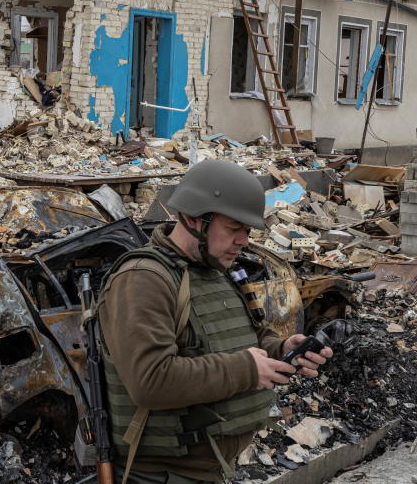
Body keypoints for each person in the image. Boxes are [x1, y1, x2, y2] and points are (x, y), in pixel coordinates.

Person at [97, 159, 334, 484]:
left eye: (247, 231)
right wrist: (248, 370)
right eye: (234, 229)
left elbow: (246, 340)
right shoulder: (143, 279)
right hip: (164, 474)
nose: (244, 241)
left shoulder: (216, 269)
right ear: (195, 218)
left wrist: (281, 350)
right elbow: (150, 381)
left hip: (214, 468)